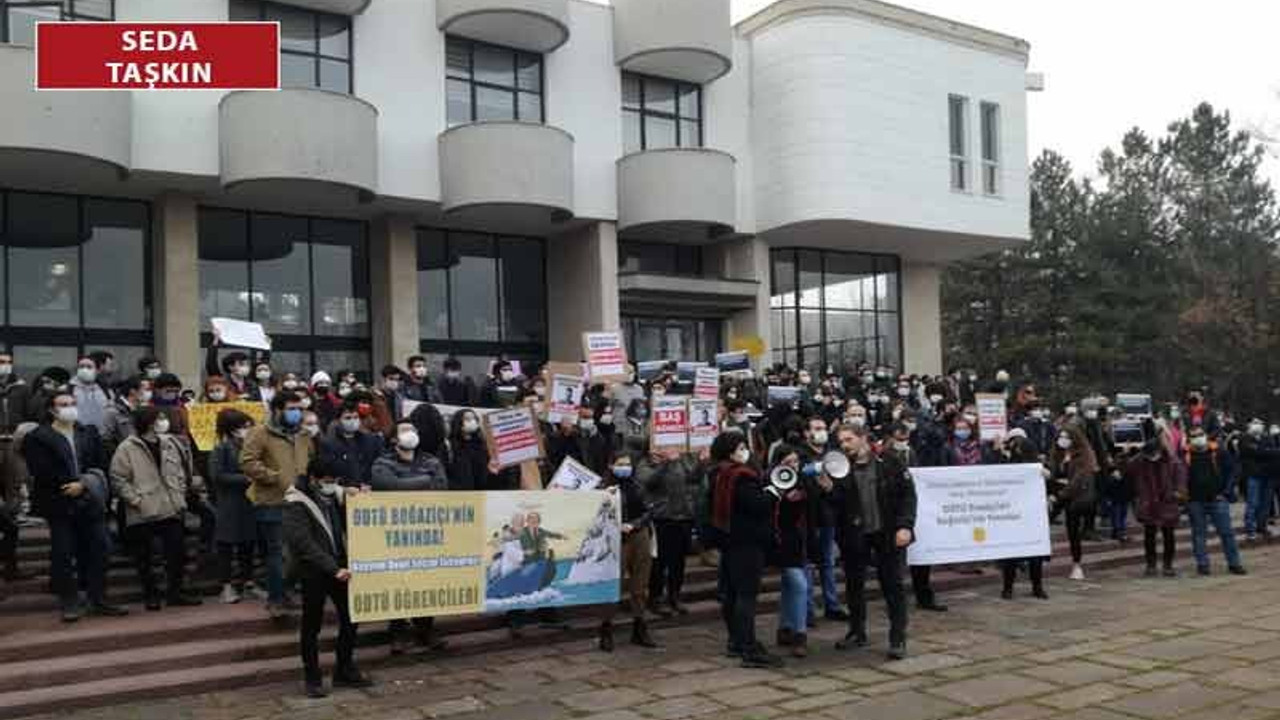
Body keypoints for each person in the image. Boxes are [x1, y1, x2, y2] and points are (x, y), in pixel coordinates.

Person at [22, 390, 128, 621]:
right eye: (63, 404)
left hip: (89, 500)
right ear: (52, 409)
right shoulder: (38, 436)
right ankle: (69, 601)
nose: (69, 407)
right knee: (63, 552)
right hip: (58, 502)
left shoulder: (87, 432)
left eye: (72, 403)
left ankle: (98, 598)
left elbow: (100, 462)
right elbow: (40, 470)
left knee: (101, 547)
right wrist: (68, 484)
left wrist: (84, 484)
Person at [283, 457, 374, 698]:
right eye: (327, 481)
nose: (331, 485)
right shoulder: (295, 502)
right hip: (313, 570)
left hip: (340, 566)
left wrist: (360, 493)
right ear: (313, 479)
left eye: (335, 481)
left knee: (351, 617)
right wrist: (333, 568)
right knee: (312, 624)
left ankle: (344, 668)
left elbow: (351, 495)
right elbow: (303, 544)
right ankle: (312, 677)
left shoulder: (335, 494)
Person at [832, 424, 916, 660]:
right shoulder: (839, 467)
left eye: (848, 440)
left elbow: (908, 495)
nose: (844, 445)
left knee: (892, 585)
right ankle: (857, 631)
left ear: (863, 439)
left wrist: (905, 526)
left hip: (887, 532)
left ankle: (897, 637)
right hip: (855, 535)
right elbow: (836, 505)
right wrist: (828, 490)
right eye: (841, 441)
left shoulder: (888, 460)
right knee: (854, 585)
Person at [109, 406, 203, 610]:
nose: (163, 421)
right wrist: (135, 500)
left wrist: (180, 492)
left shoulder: (170, 442)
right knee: (144, 557)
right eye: (159, 418)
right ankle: (151, 594)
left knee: (176, 552)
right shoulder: (127, 447)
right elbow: (118, 479)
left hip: (171, 506)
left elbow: (181, 470)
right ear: (148, 422)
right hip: (143, 509)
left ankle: (175, 592)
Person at [370, 420, 449, 654]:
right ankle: (398, 632)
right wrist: (423, 481)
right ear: (394, 438)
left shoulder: (431, 460)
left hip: (426, 532)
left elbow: (441, 487)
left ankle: (425, 630)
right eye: (404, 431)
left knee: (425, 580)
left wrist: (407, 484)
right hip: (395, 534)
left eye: (413, 430)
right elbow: (387, 485)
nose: (410, 434)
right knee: (398, 581)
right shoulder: (383, 462)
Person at [708, 431, 782, 668]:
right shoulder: (741, 477)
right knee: (746, 596)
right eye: (740, 448)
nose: (744, 451)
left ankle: (736, 641)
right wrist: (773, 493)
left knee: (731, 594)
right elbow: (758, 506)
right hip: (747, 542)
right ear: (730, 451)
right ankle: (749, 647)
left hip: (728, 541)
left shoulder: (718, 473)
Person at [241, 391, 314, 618]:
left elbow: (311, 460)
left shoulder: (303, 435)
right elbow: (247, 462)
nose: (297, 413)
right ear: (278, 410)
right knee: (278, 553)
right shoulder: (260, 433)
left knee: (297, 553)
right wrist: (274, 477)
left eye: (300, 409)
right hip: (272, 501)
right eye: (292, 408)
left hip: (300, 502)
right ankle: (275, 599)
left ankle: (286, 591)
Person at [597, 452, 658, 652]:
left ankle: (639, 626)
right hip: (615, 539)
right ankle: (606, 629)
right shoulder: (603, 487)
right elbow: (595, 514)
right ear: (611, 465)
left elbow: (649, 509)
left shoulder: (637, 484)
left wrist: (635, 524)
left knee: (640, 584)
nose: (625, 467)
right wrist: (607, 499)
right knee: (614, 584)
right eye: (620, 463)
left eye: (628, 463)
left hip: (638, 534)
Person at [638, 447, 701, 617]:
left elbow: (694, 478)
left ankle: (675, 596)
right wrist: (666, 463)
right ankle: (655, 598)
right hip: (662, 518)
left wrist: (702, 462)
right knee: (659, 562)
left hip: (683, 517)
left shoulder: (682, 460)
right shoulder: (645, 464)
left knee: (678, 562)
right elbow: (649, 482)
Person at [210, 408, 263, 604]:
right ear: (233, 430)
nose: (248, 430)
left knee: (248, 544)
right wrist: (246, 478)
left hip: (250, 502)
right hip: (229, 503)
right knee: (226, 545)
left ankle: (248, 582)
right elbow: (217, 475)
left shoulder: (253, 447)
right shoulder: (222, 448)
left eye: (250, 426)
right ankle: (226, 586)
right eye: (244, 427)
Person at [797, 416, 845, 623]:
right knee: (807, 564)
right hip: (807, 518)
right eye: (817, 428)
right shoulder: (800, 455)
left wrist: (830, 488)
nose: (822, 432)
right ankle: (807, 610)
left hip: (827, 517)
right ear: (807, 433)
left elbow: (840, 487)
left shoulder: (832, 455)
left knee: (827, 562)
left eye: (824, 427)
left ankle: (832, 605)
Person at [1123, 422, 1185, 577]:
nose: (1151, 458)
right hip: (1148, 503)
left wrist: (1178, 493)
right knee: (1149, 536)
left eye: (1153, 455)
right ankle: (1151, 565)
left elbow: (1180, 479)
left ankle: (1168, 565)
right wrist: (1125, 453)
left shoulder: (1171, 461)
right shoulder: (1140, 460)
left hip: (1167, 502)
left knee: (1168, 535)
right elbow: (1126, 469)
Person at [1184, 426, 1246, 576]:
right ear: (1189, 439)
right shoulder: (1186, 455)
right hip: (1195, 501)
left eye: (1200, 434)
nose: (1197, 437)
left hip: (1217, 499)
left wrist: (1227, 491)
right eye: (1194, 436)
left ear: (1205, 435)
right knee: (1199, 534)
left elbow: (1234, 470)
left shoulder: (1218, 452)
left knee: (1227, 533)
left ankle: (1234, 563)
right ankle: (1203, 565)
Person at [769, 446, 812, 658]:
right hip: (779, 540)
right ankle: (799, 634)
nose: (793, 466)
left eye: (795, 462)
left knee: (789, 585)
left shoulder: (805, 482)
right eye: (788, 462)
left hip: (796, 540)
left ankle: (785, 627)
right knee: (799, 584)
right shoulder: (771, 483)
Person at [997, 430, 1049, 600]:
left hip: (1032, 513)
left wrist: (1047, 476)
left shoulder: (1036, 466)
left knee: (1035, 554)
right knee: (1011, 553)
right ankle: (1009, 587)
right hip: (1012, 512)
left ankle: (1036, 586)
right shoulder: (1006, 461)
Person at [1051, 424, 1099, 581]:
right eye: (1061, 437)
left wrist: (1061, 494)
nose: (1062, 440)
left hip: (1077, 497)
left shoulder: (1084, 455)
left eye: (1066, 437)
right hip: (1062, 494)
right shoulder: (1059, 454)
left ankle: (1076, 564)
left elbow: (1079, 480)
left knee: (1074, 531)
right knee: (1053, 522)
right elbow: (1054, 473)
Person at [0, 352, 32, 583]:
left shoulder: (21, 388)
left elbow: (30, 416)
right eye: (1, 362)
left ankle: (11, 566)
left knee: (12, 508)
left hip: (13, 445)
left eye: (7, 362)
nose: (5, 366)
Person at [319, 403, 381, 487]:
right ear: (338, 420)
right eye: (348, 418)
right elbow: (330, 470)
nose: (352, 421)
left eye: (356, 417)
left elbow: (377, 465)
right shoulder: (329, 443)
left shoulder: (371, 440)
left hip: (369, 488)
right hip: (345, 489)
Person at [1238, 418, 1279, 541]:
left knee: (1265, 504)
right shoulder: (1244, 439)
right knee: (1253, 503)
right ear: (1249, 425)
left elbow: (1273, 452)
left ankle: (1262, 526)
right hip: (1253, 476)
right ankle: (1250, 528)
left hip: (1268, 476)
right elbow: (1255, 451)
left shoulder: (1267, 438)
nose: (1258, 425)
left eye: (1260, 423)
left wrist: (1265, 452)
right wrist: (1266, 452)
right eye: (1255, 423)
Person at [447, 408, 493, 491]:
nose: (472, 421)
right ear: (459, 422)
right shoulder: (450, 445)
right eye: (467, 419)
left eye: (474, 419)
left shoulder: (482, 445)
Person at [69, 355, 111, 433]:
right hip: (77, 435)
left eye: (89, 367)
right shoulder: (69, 389)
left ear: (97, 370)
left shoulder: (104, 389)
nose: (84, 369)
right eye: (81, 366)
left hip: (101, 435)